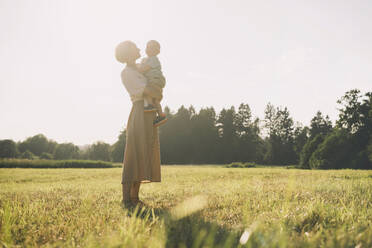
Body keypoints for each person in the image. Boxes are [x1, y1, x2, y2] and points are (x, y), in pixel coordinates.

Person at [115, 40, 162, 206]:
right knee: (134, 154)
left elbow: (155, 88)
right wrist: (158, 90)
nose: (139, 48)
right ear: (128, 52)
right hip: (139, 111)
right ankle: (127, 199)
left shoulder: (140, 68)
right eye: (135, 47)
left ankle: (135, 197)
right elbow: (147, 90)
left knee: (144, 153)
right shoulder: (127, 72)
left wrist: (157, 90)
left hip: (148, 112)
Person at [137, 40, 167, 127]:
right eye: (147, 47)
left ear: (156, 51)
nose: (148, 49)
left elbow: (144, 69)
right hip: (155, 82)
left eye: (151, 48)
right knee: (155, 99)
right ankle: (161, 115)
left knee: (147, 92)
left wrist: (137, 68)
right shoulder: (147, 59)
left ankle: (149, 106)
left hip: (155, 80)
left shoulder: (154, 59)